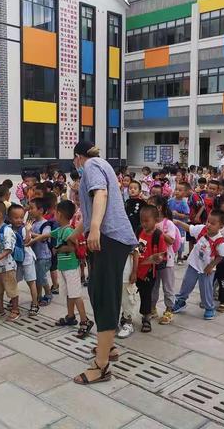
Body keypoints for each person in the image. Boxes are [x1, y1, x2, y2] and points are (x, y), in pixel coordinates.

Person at [71, 141, 137, 385]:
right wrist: (73, 236)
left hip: (109, 238)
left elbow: (101, 194)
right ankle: (108, 349)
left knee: (104, 296)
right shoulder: (103, 164)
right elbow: (89, 215)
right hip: (111, 238)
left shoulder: (91, 165)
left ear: (78, 157)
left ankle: (102, 367)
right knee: (100, 292)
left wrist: (96, 229)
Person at [34, 200, 94, 338]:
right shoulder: (60, 229)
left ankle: (85, 321)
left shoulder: (67, 230)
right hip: (63, 268)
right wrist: (32, 239)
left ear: (59, 214)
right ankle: (70, 316)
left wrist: (57, 249)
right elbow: (46, 235)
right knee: (68, 293)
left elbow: (73, 247)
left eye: (55, 212)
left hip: (71, 267)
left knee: (75, 295)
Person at [172, 210, 224, 319]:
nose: (208, 225)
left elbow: (221, 256)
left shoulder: (220, 241)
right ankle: (181, 301)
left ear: (220, 226)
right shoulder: (202, 229)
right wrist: (178, 222)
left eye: (212, 223)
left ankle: (209, 307)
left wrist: (211, 266)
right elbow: (189, 228)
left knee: (206, 289)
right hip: (194, 264)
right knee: (186, 284)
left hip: (207, 269)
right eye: (208, 221)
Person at [135, 205, 167, 333]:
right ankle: (126, 316)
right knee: (129, 292)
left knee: (146, 295)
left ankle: (146, 317)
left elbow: (162, 254)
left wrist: (158, 258)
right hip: (136, 267)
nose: (144, 224)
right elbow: (134, 248)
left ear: (156, 220)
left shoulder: (158, 235)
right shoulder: (139, 231)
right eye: (142, 220)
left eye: (147, 221)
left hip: (148, 271)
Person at [0, 201, 20, 321]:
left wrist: (0, 256)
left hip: (7, 267)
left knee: (11, 288)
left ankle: (15, 309)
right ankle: (0, 308)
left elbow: (9, 247)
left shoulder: (6, 230)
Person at [149, 195, 178, 325]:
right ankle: (152, 308)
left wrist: (158, 231)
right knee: (153, 286)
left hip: (167, 261)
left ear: (159, 208)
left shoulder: (168, 223)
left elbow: (171, 240)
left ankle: (169, 310)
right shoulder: (150, 222)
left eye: (151, 205)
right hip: (153, 261)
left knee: (168, 286)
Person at [8, 204, 39, 317]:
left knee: (31, 282)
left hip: (27, 259)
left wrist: (27, 230)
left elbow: (27, 241)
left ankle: (35, 303)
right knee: (14, 281)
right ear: (10, 218)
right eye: (16, 218)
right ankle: (14, 301)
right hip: (15, 261)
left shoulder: (24, 228)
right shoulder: (8, 229)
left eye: (21, 217)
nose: (19, 220)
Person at [28, 198, 52, 306]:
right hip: (35, 255)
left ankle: (48, 294)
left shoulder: (45, 224)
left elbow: (45, 237)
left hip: (44, 255)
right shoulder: (32, 223)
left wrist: (31, 234)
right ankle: (38, 296)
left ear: (40, 210)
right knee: (37, 277)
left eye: (32, 208)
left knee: (41, 277)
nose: (29, 211)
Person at [117, 249, 139, 339]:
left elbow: (135, 253)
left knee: (127, 300)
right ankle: (113, 323)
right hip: (112, 272)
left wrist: (134, 272)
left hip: (125, 273)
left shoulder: (128, 235)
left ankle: (128, 323)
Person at [168, 182, 190, 264]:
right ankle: (172, 255)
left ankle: (180, 257)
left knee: (180, 241)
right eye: (176, 189)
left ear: (184, 193)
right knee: (171, 239)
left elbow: (187, 216)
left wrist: (178, 214)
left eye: (180, 190)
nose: (177, 191)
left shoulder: (184, 203)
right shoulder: (170, 201)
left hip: (180, 226)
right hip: (171, 225)